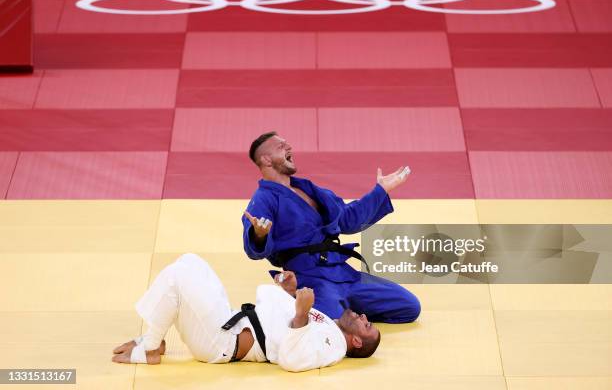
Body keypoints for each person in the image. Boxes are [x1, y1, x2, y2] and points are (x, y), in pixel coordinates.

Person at [242, 132, 420, 323]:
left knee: (408, 306)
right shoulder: (263, 199)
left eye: (287, 144)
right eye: (280, 147)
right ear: (266, 159)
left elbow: (347, 219)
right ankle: (320, 309)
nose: (289, 147)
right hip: (311, 280)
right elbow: (254, 247)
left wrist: (381, 190)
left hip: (342, 272)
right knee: (324, 325)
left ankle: (344, 311)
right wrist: (259, 235)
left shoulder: (308, 189)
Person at [111, 253, 380, 372]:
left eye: (367, 327)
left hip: (222, 342)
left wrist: (300, 313)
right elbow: (282, 328)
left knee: (178, 276)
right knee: (190, 261)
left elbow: (292, 360)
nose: (364, 317)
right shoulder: (329, 328)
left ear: (356, 342)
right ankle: (152, 342)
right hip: (228, 321)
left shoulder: (333, 347)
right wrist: (288, 292)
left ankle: (151, 346)